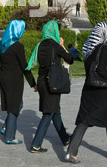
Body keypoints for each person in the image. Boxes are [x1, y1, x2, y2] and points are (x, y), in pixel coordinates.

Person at [65, 21, 107, 164]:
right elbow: (101, 70)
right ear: (105, 33)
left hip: (89, 89)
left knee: (85, 120)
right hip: (102, 91)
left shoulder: (87, 48)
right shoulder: (103, 48)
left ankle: (71, 152)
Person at [26, 20, 74, 153]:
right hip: (53, 82)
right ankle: (36, 144)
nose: (59, 33)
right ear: (54, 31)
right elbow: (70, 59)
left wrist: (34, 84)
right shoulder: (55, 46)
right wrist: (63, 46)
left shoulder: (39, 45)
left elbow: (32, 64)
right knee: (48, 113)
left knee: (55, 111)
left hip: (42, 81)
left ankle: (65, 138)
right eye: (58, 31)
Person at [0, 20, 37, 144]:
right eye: (23, 29)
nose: (24, 31)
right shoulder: (17, 46)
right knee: (14, 106)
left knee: (16, 104)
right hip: (14, 80)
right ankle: (10, 136)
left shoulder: (3, 44)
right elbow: (24, 66)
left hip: (4, 78)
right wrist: (33, 83)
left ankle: (6, 127)